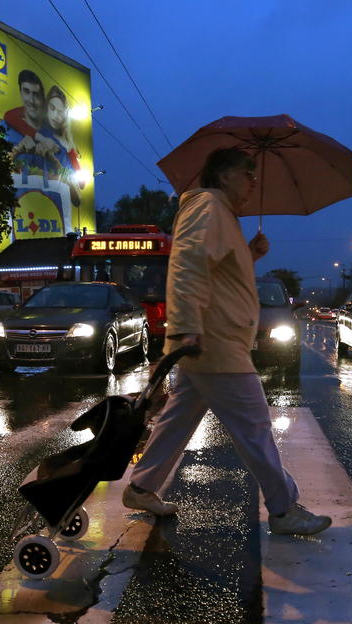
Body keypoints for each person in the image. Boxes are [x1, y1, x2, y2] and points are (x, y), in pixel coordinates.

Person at [122, 147, 331, 536]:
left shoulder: (221, 214)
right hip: (214, 343)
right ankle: (284, 509)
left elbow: (218, 274)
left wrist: (249, 254)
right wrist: (185, 328)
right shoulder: (209, 207)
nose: (253, 182)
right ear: (223, 176)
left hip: (212, 341)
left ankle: (141, 487)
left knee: (177, 420)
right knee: (254, 427)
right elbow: (188, 266)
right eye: (247, 173)